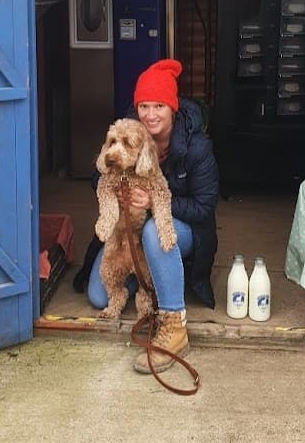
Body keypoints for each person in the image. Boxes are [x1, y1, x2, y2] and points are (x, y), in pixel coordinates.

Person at [87, 58, 220, 374]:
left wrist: (151, 203)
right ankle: (143, 280)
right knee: (96, 295)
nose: (150, 114)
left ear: (172, 107)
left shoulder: (197, 147)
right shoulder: (128, 131)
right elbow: (101, 177)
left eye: (158, 105)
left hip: (179, 229)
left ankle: (173, 324)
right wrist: (118, 189)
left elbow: (204, 208)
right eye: (143, 105)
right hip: (126, 235)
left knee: (151, 233)